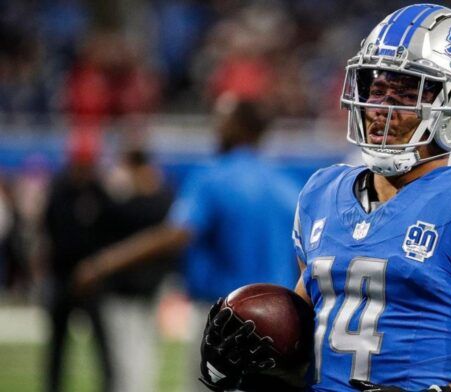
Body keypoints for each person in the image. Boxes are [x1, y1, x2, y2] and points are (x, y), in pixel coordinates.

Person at [199, 4, 451, 392]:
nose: (380, 108)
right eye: (377, 88)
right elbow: (308, 339)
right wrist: (260, 360)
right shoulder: (322, 192)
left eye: (406, 93)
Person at [73, 99, 300, 391]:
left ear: (240, 127)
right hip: (277, 328)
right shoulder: (287, 185)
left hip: (224, 322)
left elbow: (175, 235)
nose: (216, 127)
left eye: (222, 120)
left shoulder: (213, 176)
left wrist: (103, 264)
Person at [42, 131, 114, 392]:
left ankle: (109, 385)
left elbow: (110, 229)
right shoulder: (59, 189)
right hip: (62, 276)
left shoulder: (98, 190)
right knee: (57, 346)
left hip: (93, 279)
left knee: (103, 345)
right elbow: (49, 229)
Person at [100, 148, 175, 392]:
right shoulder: (161, 196)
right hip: (139, 288)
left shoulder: (149, 199)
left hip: (135, 288)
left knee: (131, 360)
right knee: (134, 359)